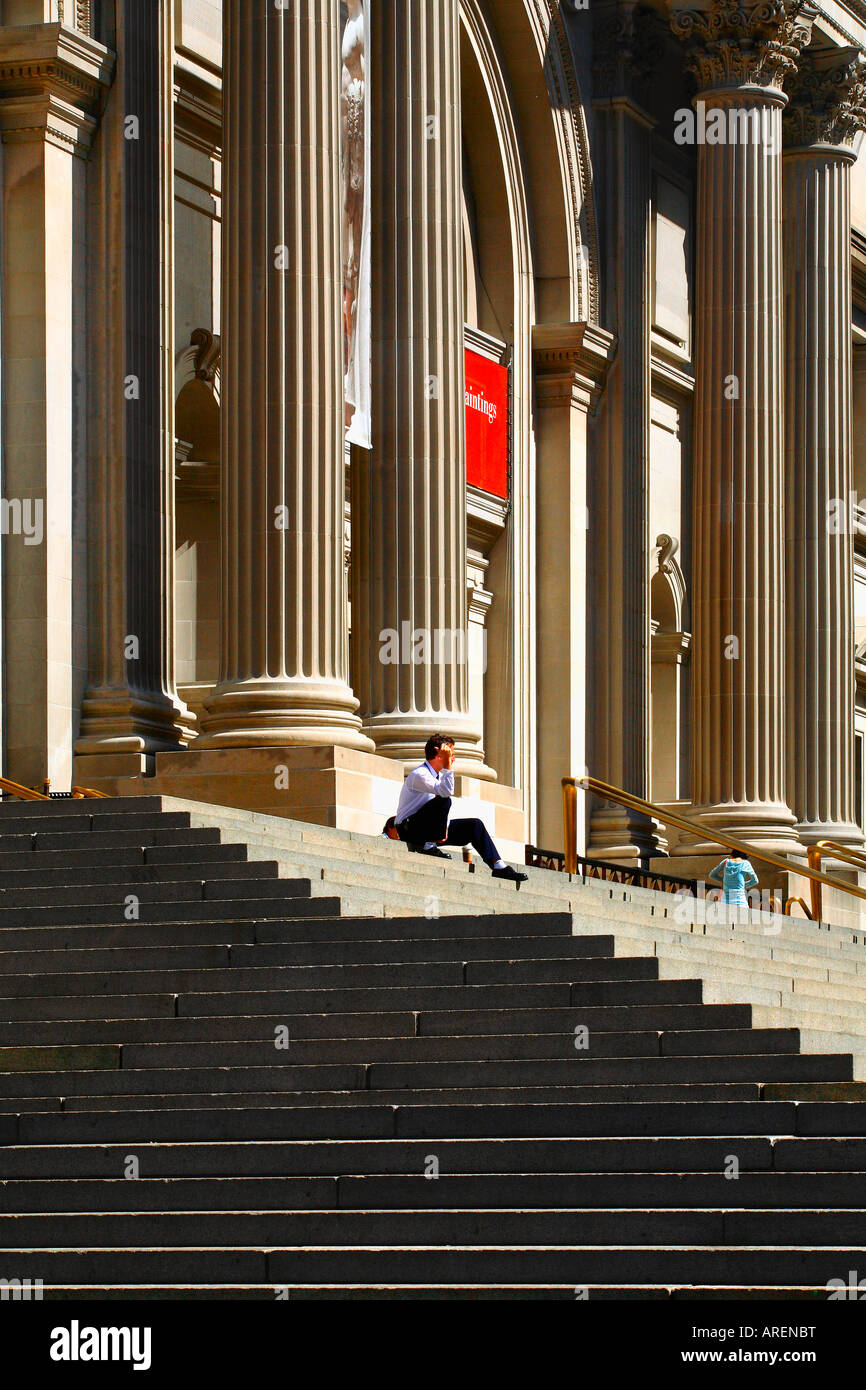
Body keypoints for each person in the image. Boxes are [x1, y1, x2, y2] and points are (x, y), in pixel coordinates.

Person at [382, 734, 528, 882]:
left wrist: (444, 828)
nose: (453, 759)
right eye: (451, 754)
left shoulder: (437, 777)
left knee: (474, 825)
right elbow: (446, 793)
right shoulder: (419, 774)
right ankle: (428, 846)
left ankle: (498, 866)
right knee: (444, 801)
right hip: (409, 829)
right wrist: (447, 767)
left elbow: (441, 802)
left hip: (428, 831)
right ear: (438, 754)